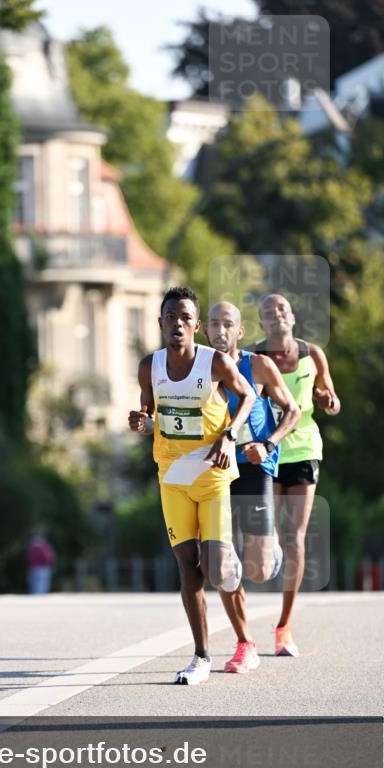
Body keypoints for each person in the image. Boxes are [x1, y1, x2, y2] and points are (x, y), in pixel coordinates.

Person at [129, 286, 255, 686]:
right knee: (189, 570)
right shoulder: (150, 366)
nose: (178, 324)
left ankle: (243, 631)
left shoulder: (214, 362)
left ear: (196, 325)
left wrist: (230, 435)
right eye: (171, 318)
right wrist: (140, 420)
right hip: (172, 479)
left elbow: (248, 396)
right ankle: (201, 656)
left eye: (185, 318)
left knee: (216, 570)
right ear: (161, 323)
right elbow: (149, 412)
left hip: (213, 476)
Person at [204, 301, 300, 673]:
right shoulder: (197, 369)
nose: (221, 330)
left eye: (228, 324)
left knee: (258, 570)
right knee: (222, 565)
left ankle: (269, 550)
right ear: (204, 329)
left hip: (255, 467)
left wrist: (269, 444)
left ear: (239, 332)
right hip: (215, 470)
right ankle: (245, 643)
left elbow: (291, 410)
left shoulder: (257, 365)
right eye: (214, 323)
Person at [248, 293, 341, 657]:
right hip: (267, 450)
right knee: (265, 534)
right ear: (262, 324)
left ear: (292, 317)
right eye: (268, 313)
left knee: (294, 536)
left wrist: (327, 400)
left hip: (303, 449)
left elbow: (333, 402)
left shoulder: (313, 354)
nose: (276, 316)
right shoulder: (253, 356)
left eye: (281, 310)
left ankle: (284, 626)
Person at [26, 526, 56, 595]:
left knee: (35, 587)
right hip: (42, 568)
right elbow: (49, 556)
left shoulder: (32, 545)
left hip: (34, 568)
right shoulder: (43, 545)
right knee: (41, 587)